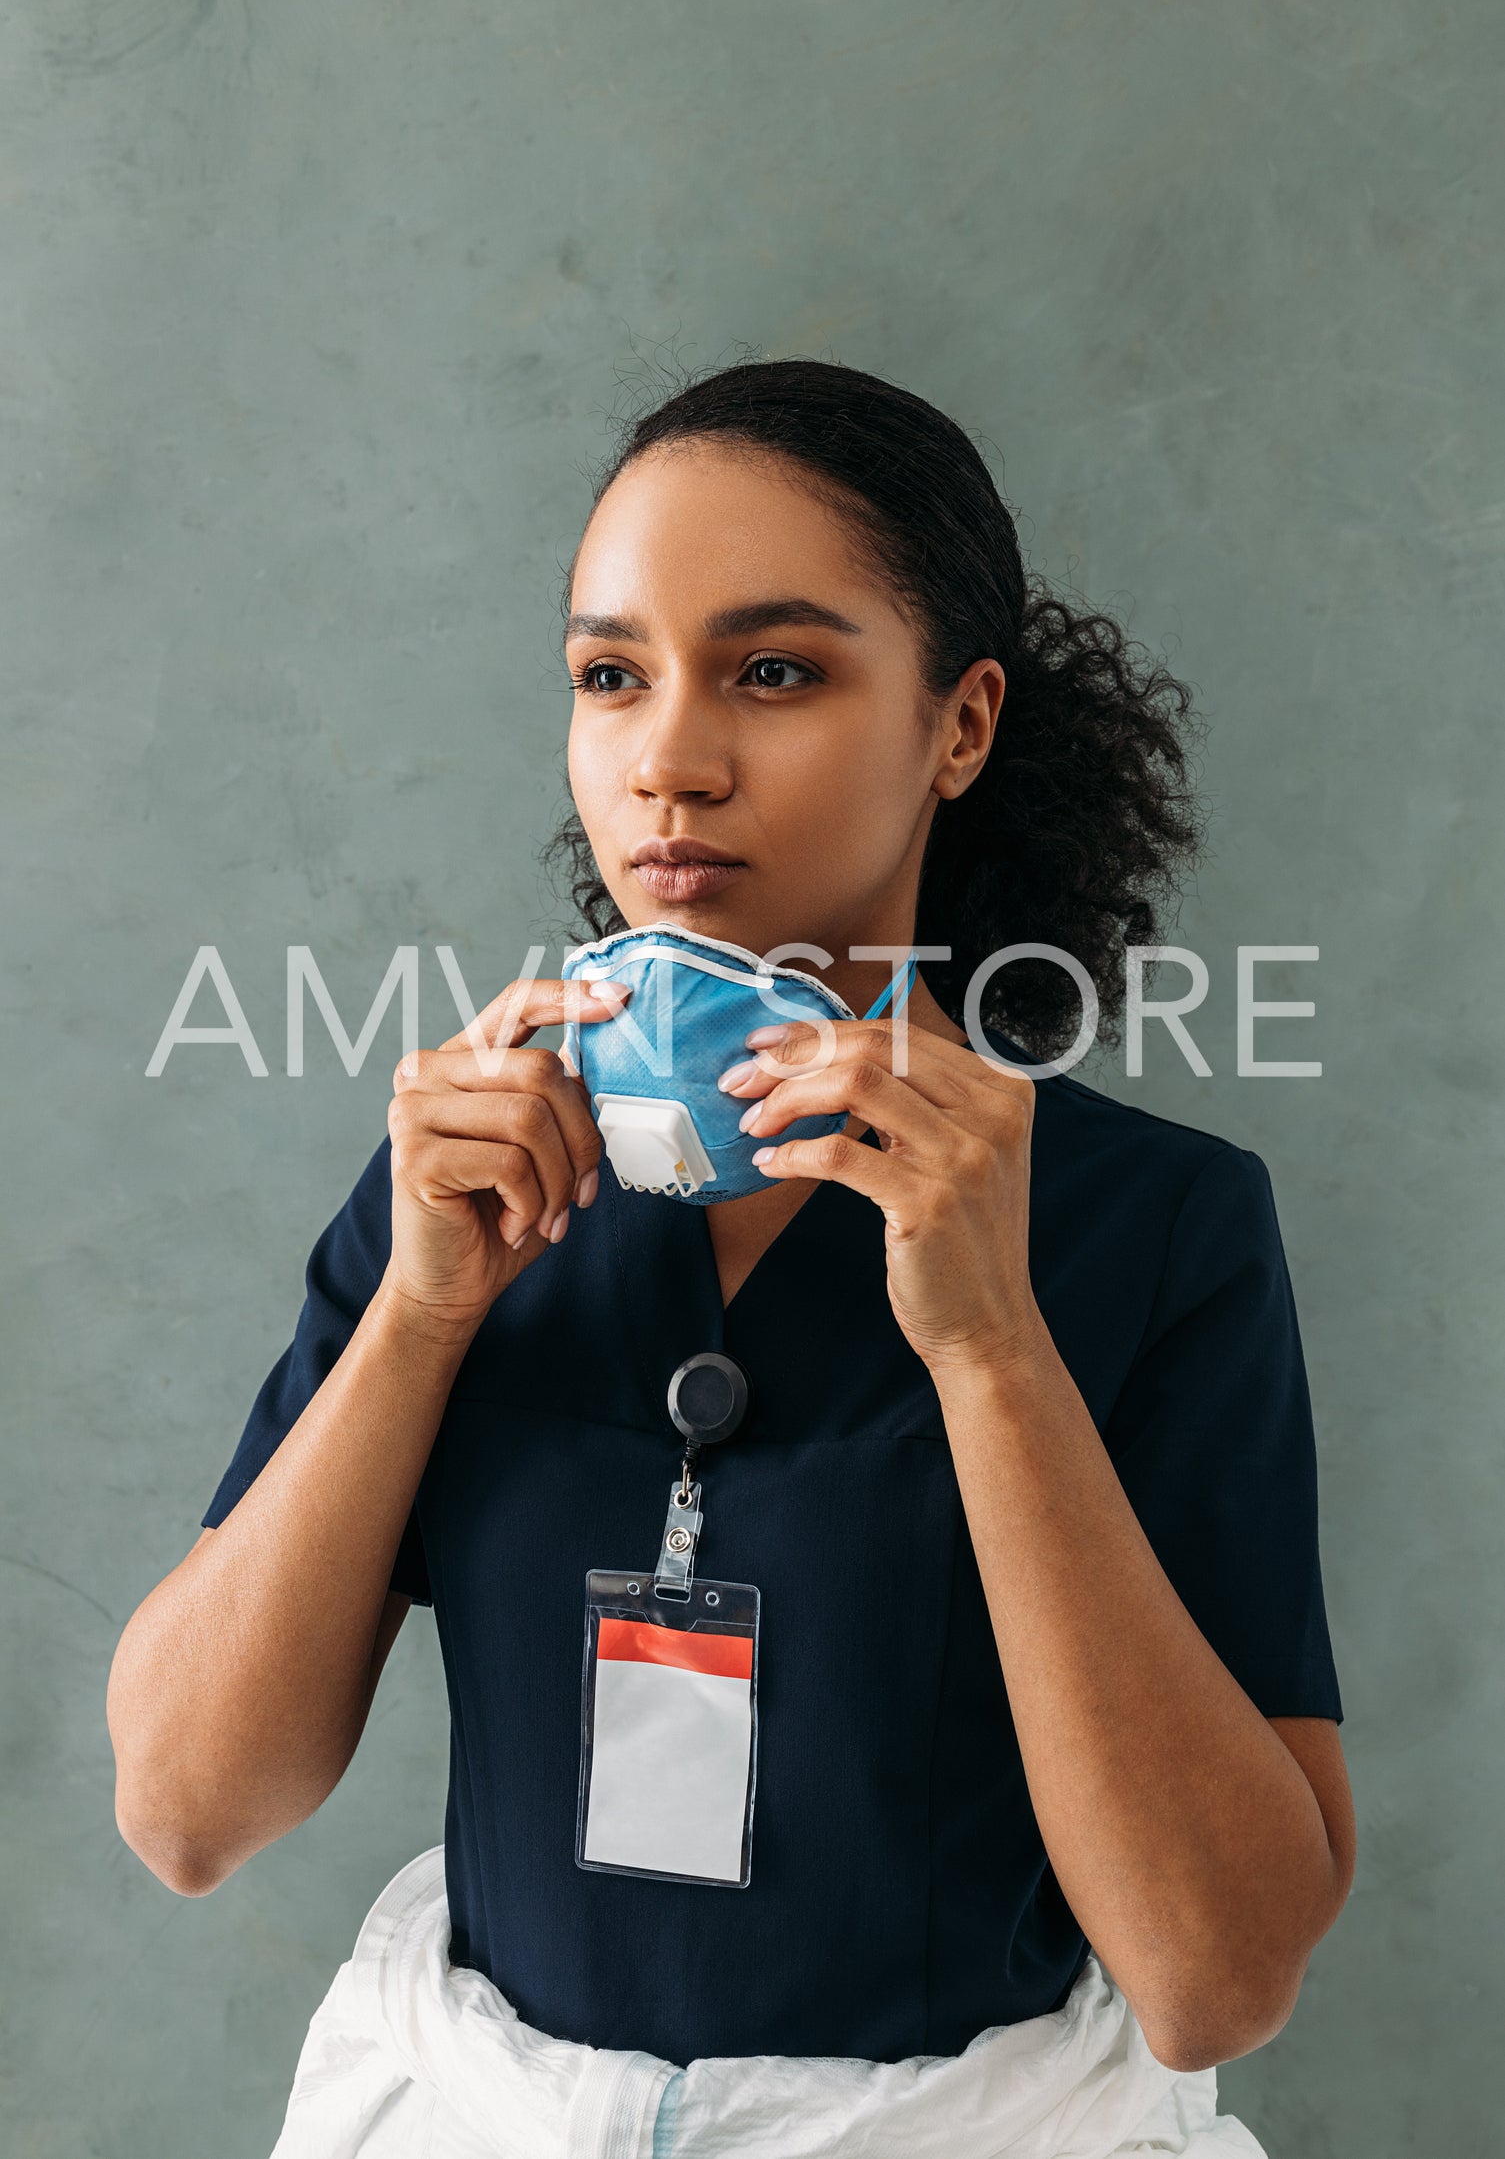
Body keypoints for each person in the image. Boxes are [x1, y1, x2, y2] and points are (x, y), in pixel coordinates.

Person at [107, 358, 1354, 2157]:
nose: (667, 759)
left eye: (774, 670)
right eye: (610, 675)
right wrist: (418, 1318)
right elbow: (189, 1809)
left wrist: (994, 1351)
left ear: (960, 724)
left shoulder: (1154, 1229)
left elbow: (1214, 1977)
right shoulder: (464, 1189)